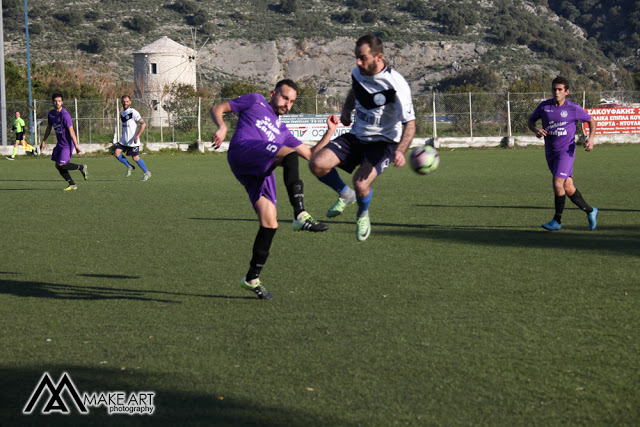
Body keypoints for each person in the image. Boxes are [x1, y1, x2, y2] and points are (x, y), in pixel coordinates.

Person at [210, 79, 333, 300]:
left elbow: (311, 154)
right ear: (273, 93)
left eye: (292, 101)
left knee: (270, 223)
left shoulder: (284, 132)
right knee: (289, 155)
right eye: (285, 97)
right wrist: (222, 126)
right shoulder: (256, 101)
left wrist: (330, 131)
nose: (288, 104)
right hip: (243, 151)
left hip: (260, 169)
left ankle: (251, 278)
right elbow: (218, 108)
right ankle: (299, 213)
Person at [308, 34, 416, 242]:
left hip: (383, 143)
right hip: (357, 137)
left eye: (363, 57)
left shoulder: (396, 85)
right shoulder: (358, 72)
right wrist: (347, 109)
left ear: (378, 57)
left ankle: (362, 214)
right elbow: (355, 91)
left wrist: (400, 150)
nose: (358, 62)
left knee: (361, 183)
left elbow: (410, 124)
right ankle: (344, 194)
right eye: (356, 57)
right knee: (317, 163)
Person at [528, 76, 598, 231]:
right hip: (550, 152)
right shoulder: (544, 107)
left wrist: (591, 138)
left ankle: (556, 221)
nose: (556, 92)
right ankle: (591, 211)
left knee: (557, 183)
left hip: (566, 152)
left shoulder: (573, 108)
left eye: (560, 89)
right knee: (568, 186)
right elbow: (531, 121)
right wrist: (536, 130)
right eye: (554, 89)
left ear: (567, 92)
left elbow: (592, 121)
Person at [40, 93, 87, 191]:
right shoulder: (51, 114)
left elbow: (71, 131)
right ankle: (72, 184)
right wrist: (43, 141)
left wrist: (76, 146)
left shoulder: (65, 115)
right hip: (59, 144)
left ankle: (81, 167)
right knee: (58, 165)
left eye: (59, 101)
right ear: (52, 102)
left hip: (67, 144)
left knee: (62, 164)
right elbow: (48, 128)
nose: (57, 103)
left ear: (62, 102)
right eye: (55, 101)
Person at [113, 95, 151, 181]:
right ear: (121, 102)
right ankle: (129, 166)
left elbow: (143, 124)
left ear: (130, 102)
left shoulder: (133, 112)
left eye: (127, 101)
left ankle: (147, 173)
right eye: (124, 101)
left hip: (133, 140)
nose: (125, 103)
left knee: (135, 158)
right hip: (124, 140)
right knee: (116, 153)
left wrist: (137, 136)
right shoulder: (122, 113)